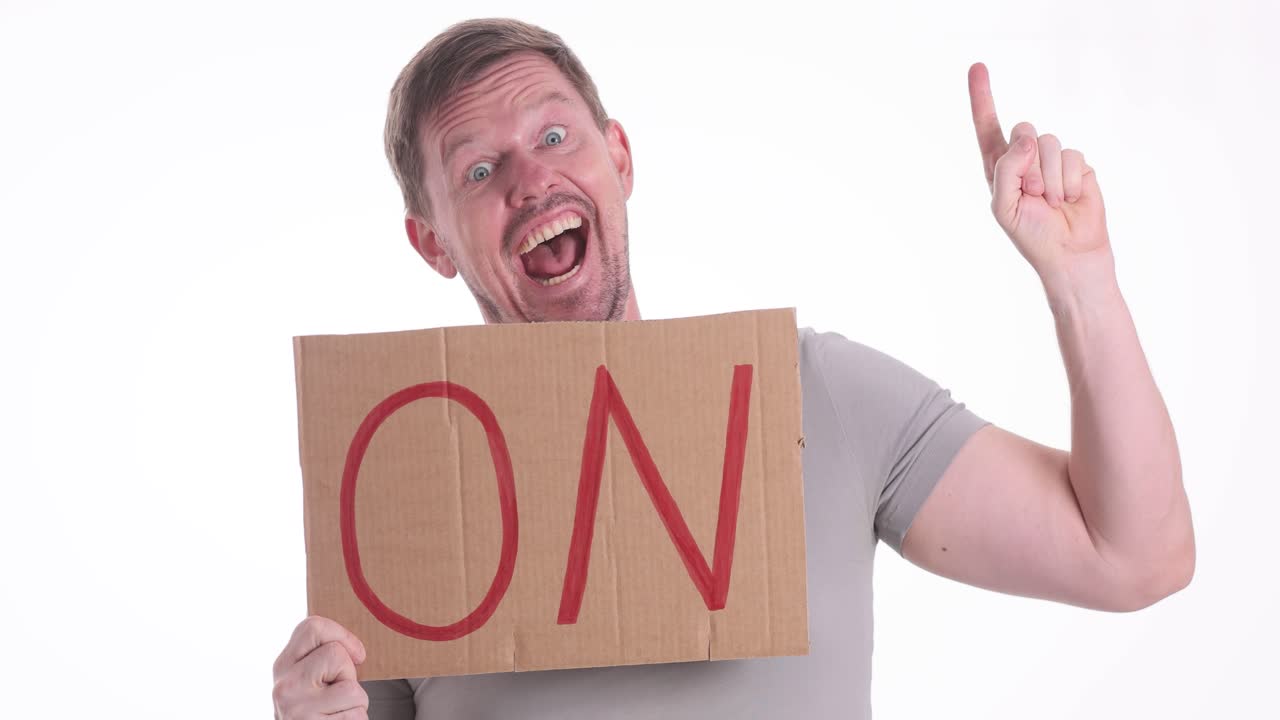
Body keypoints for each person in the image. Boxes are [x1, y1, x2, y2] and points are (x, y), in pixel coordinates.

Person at [271, 18, 1195, 720]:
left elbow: (1135, 559)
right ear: (432, 243)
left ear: (619, 157)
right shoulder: (398, 510)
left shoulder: (817, 397)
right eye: (478, 171)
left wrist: (1082, 281)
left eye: (554, 138)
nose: (530, 180)